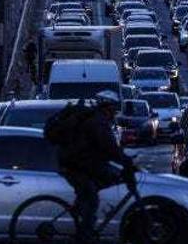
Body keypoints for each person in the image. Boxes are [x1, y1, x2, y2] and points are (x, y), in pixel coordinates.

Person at [57, 90, 135, 244]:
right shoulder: (97, 123)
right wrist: (126, 161)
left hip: (83, 163)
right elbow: (109, 148)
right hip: (74, 166)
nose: (114, 113)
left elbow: (105, 150)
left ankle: (81, 213)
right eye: (113, 109)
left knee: (101, 183)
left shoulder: (98, 120)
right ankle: (84, 235)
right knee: (91, 197)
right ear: (106, 108)